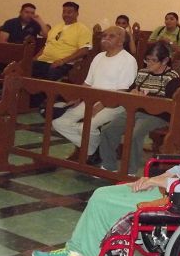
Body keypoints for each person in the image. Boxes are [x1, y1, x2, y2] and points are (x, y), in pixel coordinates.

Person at [33, 92, 180, 256]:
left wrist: (155, 183)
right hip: (174, 191)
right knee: (101, 194)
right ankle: (76, 253)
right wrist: (153, 178)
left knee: (109, 204)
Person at [53, 26, 138, 160]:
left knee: (85, 128)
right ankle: (94, 150)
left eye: (111, 36)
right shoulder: (98, 57)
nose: (105, 38)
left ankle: (89, 151)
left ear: (121, 41)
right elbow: (87, 83)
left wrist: (99, 106)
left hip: (114, 104)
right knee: (59, 123)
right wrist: (77, 98)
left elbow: (121, 92)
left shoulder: (128, 60)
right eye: (104, 35)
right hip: (90, 100)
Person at [100, 42, 180, 175]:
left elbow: (171, 103)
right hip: (136, 110)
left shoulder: (172, 77)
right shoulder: (142, 73)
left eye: (153, 61)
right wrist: (133, 94)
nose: (149, 64)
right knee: (108, 130)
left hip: (159, 115)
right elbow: (132, 89)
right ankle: (109, 166)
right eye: (147, 60)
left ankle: (130, 170)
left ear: (165, 60)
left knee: (135, 134)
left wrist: (147, 99)